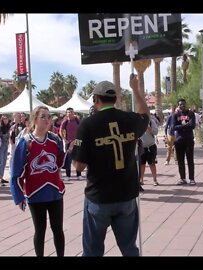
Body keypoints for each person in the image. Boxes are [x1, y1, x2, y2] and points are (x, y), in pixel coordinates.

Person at [71, 74, 149, 256]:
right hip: (127, 196)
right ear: (115, 99)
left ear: (96, 99)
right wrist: (135, 89)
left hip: (99, 197)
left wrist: (74, 152)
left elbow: (79, 167)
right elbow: (145, 114)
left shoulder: (87, 125)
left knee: (92, 250)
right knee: (129, 248)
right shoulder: (130, 120)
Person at [10, 106, 66, 257]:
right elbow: (16, 171)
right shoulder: (26, 142)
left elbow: (59, 162)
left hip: (55, 191)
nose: (47, 120)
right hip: (35, 193)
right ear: (34, 119)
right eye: (43, 117)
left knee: (58, 229)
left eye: (49, 117)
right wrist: (18, 195)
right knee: (40, 230)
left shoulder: (55, 139)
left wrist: (71, 152)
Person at [173, 99, 197, 186]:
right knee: (180, 160)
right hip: (179, 140)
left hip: (189, 140)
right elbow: (174, 127)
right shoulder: (176, 115)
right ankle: (182, 178)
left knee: (190, 160)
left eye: (183, 104)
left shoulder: (191, 114)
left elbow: (193, 125)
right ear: (178, 105)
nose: (182, 106)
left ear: (186, 104)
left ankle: (192, 179)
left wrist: (182, 126)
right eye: (180, 104)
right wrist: (185, 125)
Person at [59, 107, 81, 181]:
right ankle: (68, 176)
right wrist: (64, 139)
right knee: (68, 159)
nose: (70, 113)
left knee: (78, 159)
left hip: (77, 142)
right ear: (66, 113)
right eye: (68, 112)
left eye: (71, 112)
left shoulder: (77, 121)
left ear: (73, 113)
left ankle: (79, 175)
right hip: (69, 142)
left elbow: (82, 129)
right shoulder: (65, 122)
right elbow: (60, 131)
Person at [139, 117, 159, 186]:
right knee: (142, 164)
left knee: (152, 164)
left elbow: (156, 132)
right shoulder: (137, 122)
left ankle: (155, 180)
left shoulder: (151, 121)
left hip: (151, 146)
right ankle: (141, 180)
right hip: (141, 147)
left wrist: (149, 128)